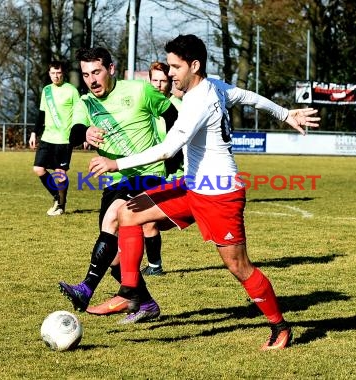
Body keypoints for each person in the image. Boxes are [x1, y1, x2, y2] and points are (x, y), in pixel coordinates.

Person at [88, 34, 320, 350]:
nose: (169, 74)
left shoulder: (198, 101)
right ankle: (129, 293)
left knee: (239, 266)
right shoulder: (215, 86)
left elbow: (168, 150)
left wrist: (116, 164)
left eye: (175, 67)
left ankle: (279, 327)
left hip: (220, 195)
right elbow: (250, 96)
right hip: (194, 186)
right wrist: (285, 113)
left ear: (194, 66)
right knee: (129, 211)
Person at [58, 47, 180, 323]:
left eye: (97, 72)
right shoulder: (86, 102)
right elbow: (74, 132)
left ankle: (86, 288)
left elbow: (172, 115)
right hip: (115, 180)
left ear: (111, 69)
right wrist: (86, 132)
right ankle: (146, 304)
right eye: (86, 74)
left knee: (114, 216)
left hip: (148, 174)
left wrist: (174, 154)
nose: (92, 80)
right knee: (113, 261)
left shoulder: (139, 91)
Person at [139, 61, 185, 276]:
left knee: (146, 219)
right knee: (143, 219)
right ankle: (154, 266)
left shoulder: (178, 107)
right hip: (150, 173)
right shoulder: (145, 107)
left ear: (170, 82)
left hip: (178, 174)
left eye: (163, 81)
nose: (158, 85)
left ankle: (154, 266)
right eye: (154, 80)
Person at [29, 61, 80, 216]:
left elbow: (79, 113)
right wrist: (34, 133)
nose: (56, 76)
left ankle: (61, 205)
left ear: (63, 73)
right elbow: (41, 113)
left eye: (58, 73)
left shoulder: (71, 91)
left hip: (64, 139)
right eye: (53, 73)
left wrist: (82, 134)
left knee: (60, 174)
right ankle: (58, 197)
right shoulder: (46, 91)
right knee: (38, 169)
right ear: (49, 74)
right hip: (47, 137)